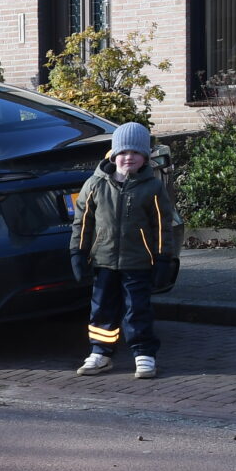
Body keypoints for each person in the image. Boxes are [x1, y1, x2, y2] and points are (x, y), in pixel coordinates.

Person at [71, 121, 179, 380]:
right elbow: (82, 222)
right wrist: (78, 253)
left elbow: (162, 226)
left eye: (135, 153)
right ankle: (100, 353)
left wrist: (163, 258)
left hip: (138, 262)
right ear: (113, 154)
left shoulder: (152, 187)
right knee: (102, 309)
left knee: (137, 309)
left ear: (145, 157)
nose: (129, 157)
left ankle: (143, 354)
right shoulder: (95, 184)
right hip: (103, 261)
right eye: (123, 152)